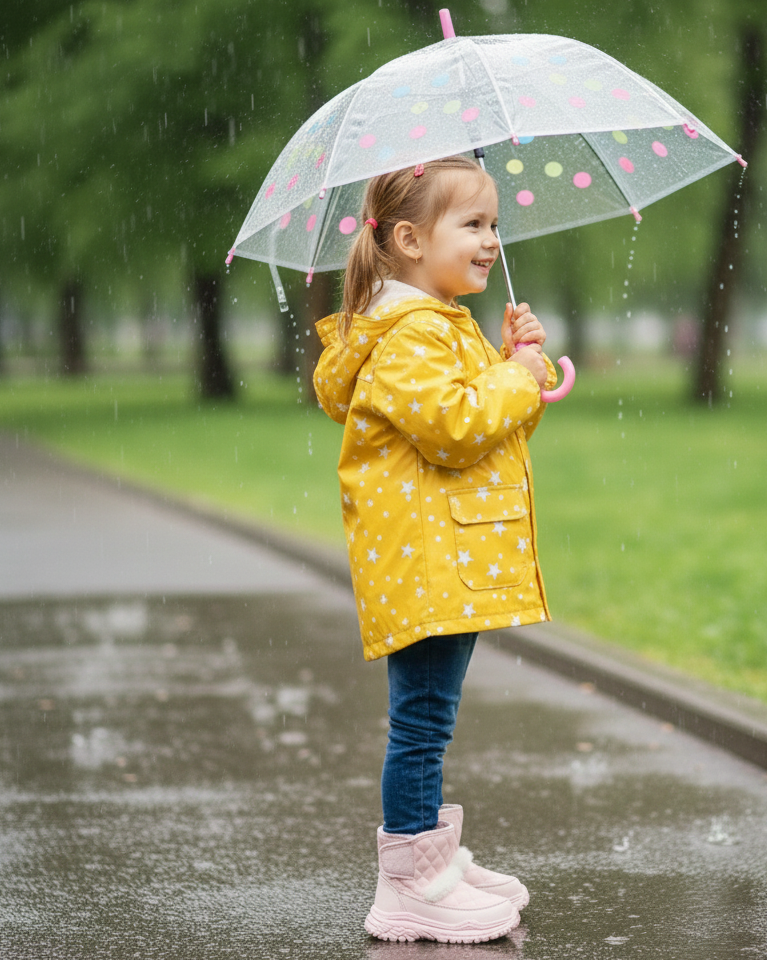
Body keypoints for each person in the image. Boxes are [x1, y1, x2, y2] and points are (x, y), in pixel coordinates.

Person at [313, 155, 556, 943]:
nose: (491, 241)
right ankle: (409, 886)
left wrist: (519, 362)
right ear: (411, 239)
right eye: (474, 224)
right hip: (426, 564)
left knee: (429, 720)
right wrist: (515, 375)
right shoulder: (410, 332)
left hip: (444, 557)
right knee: (420, 723)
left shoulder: (435, 323)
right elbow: (458, 429)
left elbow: (492, 425)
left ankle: (435, 861)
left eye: (494, 225)